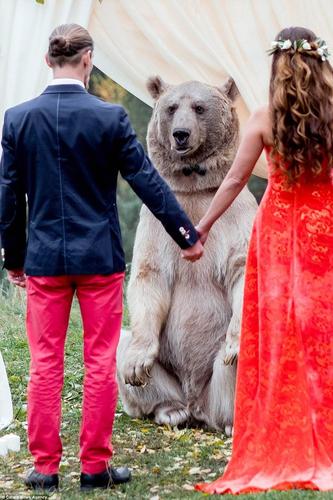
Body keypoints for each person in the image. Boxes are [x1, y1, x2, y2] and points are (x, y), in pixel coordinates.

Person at [0, 23, 203, 492]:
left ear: (49, 61)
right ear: (88, 60)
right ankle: (94, 467)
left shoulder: (17, 119)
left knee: (45, 362)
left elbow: (10, 197)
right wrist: (186, 234)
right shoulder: (109, 118)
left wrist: (14, 257)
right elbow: (149, 183)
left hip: (45, 261)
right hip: (99, 262)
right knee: (97, 361)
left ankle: (45, 468)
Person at [192, 26, 333, 494]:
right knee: (323, 326)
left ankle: (284, 419)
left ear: (277, 66)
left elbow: (233, 182)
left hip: (276, 232)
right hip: (324, 228)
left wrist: (203, 227)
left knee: (279, 329)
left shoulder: (263, 117)